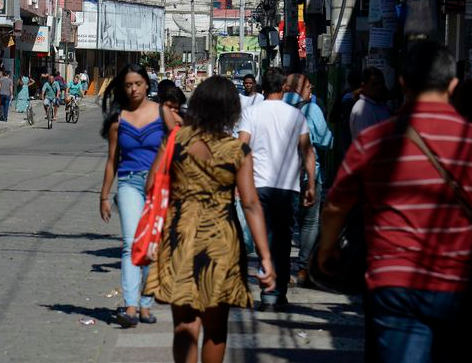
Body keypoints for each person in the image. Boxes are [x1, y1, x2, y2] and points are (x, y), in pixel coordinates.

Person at [318, 41, 472, 363]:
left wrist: (327, 250)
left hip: (394, 284)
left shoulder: (374, 141)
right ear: (453, 84)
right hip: (460, 283)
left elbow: (335, 205)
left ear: (402, 82)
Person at [145, 76, 276, 363]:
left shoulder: (175, 141)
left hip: (179, 235)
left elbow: (151, 185)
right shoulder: (237, 150)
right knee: (215, 327)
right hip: (221, 240)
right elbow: (251, 204)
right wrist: (265, 257)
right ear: (231, 110)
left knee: (184, 324)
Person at [99, 63, 177, 328]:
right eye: (128, 85)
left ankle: (146, 305)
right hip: (129, 184)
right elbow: (112, 160)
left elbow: (177, 145)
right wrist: (104, 196)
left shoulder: (163, 113)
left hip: (160, 187)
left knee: (153, 245)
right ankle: (131, 306)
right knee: (131, 244)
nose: (133, 89)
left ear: (147, 84)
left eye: (138, 84)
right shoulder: (118, 121)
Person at [237, 68, 316, 309]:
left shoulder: (251, 113)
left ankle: (268, 290)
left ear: (262, 88)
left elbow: (240, 148)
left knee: (265, 237)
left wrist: (237, 182)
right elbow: (307, 151)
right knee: (281, 240)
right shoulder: (296, 116)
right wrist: (311, 184)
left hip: (257, 184)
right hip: (288, 186)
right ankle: (276, 291)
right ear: (283, 88)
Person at [283, 73, 333, 284]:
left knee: (282, 224)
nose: (311, 90)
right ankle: (303, 269)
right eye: (307, 87)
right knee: (310, 222)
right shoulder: (311, 109)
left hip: (281, 176)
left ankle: (280, 267)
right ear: (297, 88)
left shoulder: (276, 106)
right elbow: (327, 141)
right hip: (308, 175)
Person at [349, 67, 390, 140]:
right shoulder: (363, 110)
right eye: (374, 84)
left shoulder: (379, 105)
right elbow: (367, 143)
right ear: (363, 86)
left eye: (382, 83)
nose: (380, 87)